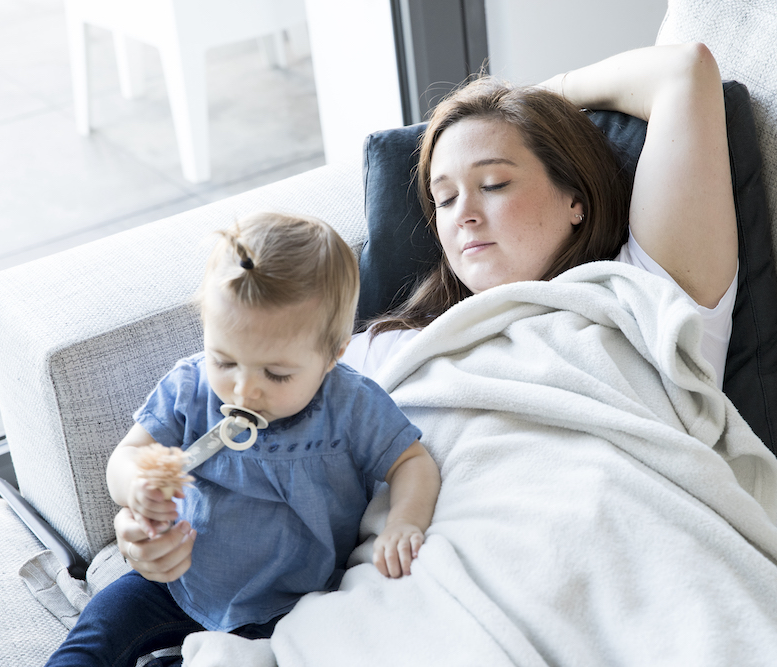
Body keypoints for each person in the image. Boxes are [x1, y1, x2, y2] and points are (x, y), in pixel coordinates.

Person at [115, 42, 737, 604]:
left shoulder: (643, 297)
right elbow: (243, 451)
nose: (463, 212)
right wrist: (141, 526)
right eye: (443, 197)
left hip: (602, 544)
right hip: (419, 588)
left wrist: (528, 103)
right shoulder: (382, 351)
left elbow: (684, 73)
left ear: (575, 198)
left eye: (493, 183)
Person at [46, 212, 441, 667]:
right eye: (224, 360)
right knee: (97, 632)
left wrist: (404, 522)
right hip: (176, 584)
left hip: (289, 606)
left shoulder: (351, 406)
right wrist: (137, 485)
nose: (243, 389)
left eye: (277, 373)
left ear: (333, 355)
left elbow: (412, 462)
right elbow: (128, 455)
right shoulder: (189, 388)